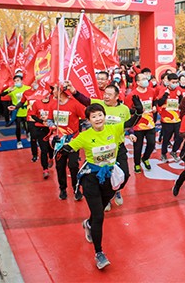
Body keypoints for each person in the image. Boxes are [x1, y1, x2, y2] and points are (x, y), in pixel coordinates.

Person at [64, 103, 124, 270]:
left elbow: (131, 123)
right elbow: (69, 148)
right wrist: (60, 144)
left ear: (104, 116)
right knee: (99, 216)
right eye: (93, 116)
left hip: (108, 178)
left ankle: (88, 224)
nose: (97, 119)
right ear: (88, 120)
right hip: (90, 179)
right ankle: (99, 253)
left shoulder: (114, 129)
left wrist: (139, 112)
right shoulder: (84, 136)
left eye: (100, 115)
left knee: (100, 210)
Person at [68, 82, 141, 207]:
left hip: (118, 147)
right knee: (102, 175)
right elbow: (84, 100)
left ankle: (115, 190)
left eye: (109, 95)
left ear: (117, 97)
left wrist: (131, 133)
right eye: (105, 94)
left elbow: (128, 124)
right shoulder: (99, 105)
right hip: (100, 148)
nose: (106, 96)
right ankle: (105, 198)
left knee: (125, 174)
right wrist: (73, 90)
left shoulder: (124, 109)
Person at [47, 84, 87, 201]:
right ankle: (62, 189)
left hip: (73, 141)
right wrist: (52, 127)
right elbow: (49, 120)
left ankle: (76, 189)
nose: (52, 91)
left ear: (61, 90)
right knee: (60, 166)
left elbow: (85, 119)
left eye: (54, 89)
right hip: (59, 141)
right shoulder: (53, 104)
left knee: (73, 166)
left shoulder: (75, 104)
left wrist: (83, 134)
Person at [125, 72, 156, 173]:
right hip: (137, 125)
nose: (146, 80)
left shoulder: (152, 91)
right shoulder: (132, 95)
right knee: (138, 147)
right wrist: (138, 111)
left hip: (150, 123)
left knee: (152, 144)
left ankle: (145, 158)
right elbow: (127, 110)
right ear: (138, 82)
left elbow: (154, 101)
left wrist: (154, 106)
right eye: (143, 79)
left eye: (146, 78)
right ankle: (137, 164)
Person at [155, 73, 184, 162]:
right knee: (166, 138)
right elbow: (159, 103)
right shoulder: (163, 90)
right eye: (173, 82)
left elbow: (182, 103)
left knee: (180, 137)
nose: (175, 84)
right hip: (166, 120)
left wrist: (180, 96)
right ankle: (163, 154)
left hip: (177, 119)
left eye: (176, 82)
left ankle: (174, 151)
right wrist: (165, 95)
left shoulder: (179, 90)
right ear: (168, 82)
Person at [27, 89, 55, 179]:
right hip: (40, 128)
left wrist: (51, 122)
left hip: (51, 129)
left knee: (51, 147)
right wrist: (42, 121)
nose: (46, 95)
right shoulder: (37, 103)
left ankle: (51, 157)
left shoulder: (54, 102)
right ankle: (45, 169)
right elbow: (33, 115)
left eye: (47, 94)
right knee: (44, 149)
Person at [2, 75, 31, 149]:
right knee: (18, 127)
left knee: (28, 125)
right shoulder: (13, 89)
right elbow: (2, 94)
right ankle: (19, 141)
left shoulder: (27, 88)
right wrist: (9, 91)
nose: (16, 82)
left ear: (22, 81)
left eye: (18, 80)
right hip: (17, 111)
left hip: (26, 110)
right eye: (15, 81)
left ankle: (28, 133)